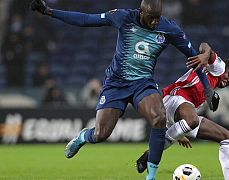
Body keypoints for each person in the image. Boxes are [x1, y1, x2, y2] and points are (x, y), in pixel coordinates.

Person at [30, 0, 218, 179]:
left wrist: (208, 89)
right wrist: (49, 11)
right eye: (150, 17)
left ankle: (150, 177)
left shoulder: (169, 28)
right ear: (141, 12)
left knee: (159, 119)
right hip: (115, 84)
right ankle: (82, 137)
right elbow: (87, 20)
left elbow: (196, 60)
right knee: (101, 134)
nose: (154, 22)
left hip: (143, 84)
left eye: (157, 18)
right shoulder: (123, 17)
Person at [136, 43, 229, 180]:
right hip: (174, 97)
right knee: (192, 120)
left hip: (181, 109)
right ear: (224, 68)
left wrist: (180, 133)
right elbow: (205, 46)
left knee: (227, 137)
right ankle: (151, 155)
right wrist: (204, 55)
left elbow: (183, 117)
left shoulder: (209, 88)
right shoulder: (219, 67)